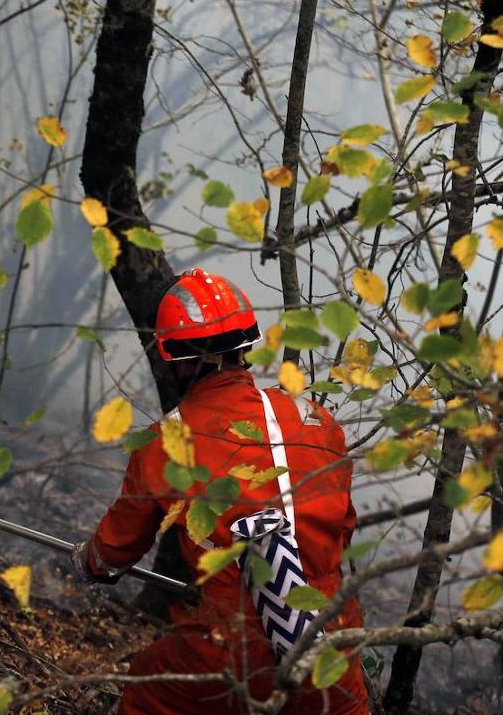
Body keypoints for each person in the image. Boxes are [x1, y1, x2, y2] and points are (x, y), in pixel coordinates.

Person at [73, 269, 368, 714]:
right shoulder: (313, 420)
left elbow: (115, 550)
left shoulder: (166, 442)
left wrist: (90, 562)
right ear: (245, 346)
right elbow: (343, 528)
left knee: (145, 692)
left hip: (231, 649)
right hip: (332, 647)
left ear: (179, 360)